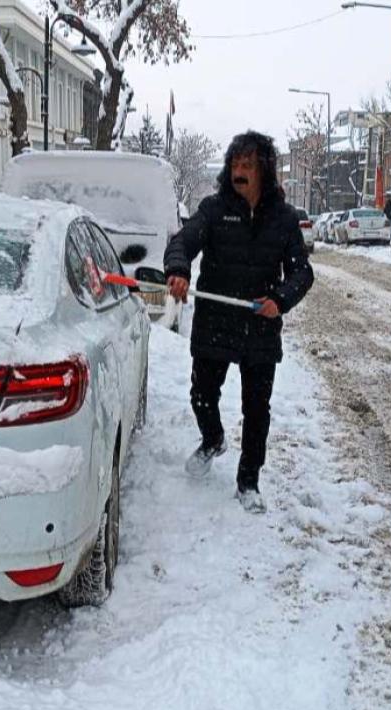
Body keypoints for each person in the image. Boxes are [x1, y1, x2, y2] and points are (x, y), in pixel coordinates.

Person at [162, 131, 315, 514]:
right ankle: (213, 438)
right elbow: (182, 242)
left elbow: (302, 273)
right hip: (214, 322)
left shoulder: (284, 219)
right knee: (201, 395)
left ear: (264, 169)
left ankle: (248, 481)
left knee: (256, 409)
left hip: (260, 327)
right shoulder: (214, 210)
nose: (239, 172)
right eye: (235, 164)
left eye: (248, 165)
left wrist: (280, 300)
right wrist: (178, 270)